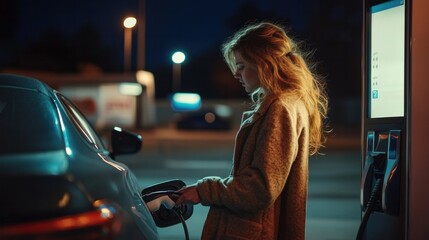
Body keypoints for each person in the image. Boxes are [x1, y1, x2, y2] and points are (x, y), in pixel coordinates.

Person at [175, 21, 329, 240]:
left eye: (241, 66)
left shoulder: (280, 109)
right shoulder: (289, 103)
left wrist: (204, 191)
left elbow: (259, 189)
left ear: (263, 64)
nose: (236, 74)